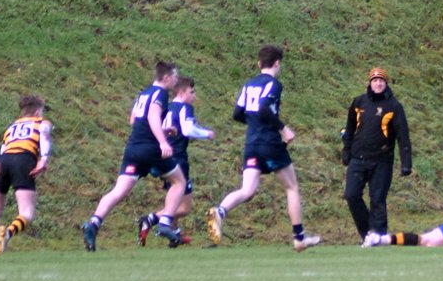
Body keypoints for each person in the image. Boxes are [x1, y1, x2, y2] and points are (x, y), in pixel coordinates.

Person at [207, 46, 322, 252]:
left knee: (247, 190)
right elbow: (263, 108)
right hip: (269, 142)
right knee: (291, 187)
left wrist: (255, 124)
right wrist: (283, 129)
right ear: (277, 63)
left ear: (259, 63)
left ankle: (220, 211)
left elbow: (237, 113)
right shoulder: (274, 84)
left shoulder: (249, 84)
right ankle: (299, 238)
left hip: (252, 143)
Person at [82, 61, 186, 252]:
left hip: (133, 149)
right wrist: (162, 141)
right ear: (166, 77)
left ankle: (94, 223)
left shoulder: (144, 93)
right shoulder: (161, 93)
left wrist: (164, 129)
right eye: (175, 77)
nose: (176, 80)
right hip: (150, 149)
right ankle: (164, 223)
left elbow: (134, 120)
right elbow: (152, 117)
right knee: (179, 182)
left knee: (118, 190)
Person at [0, 95, 51, 256]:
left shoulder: (12, 126)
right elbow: (44, 137)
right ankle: (7, 233)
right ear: (37, 111)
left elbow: (3, 148)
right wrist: (43, 159)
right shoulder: (41, 122)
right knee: (26, 212)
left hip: (3, 160)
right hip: (23, 160)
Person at [139, 75, 212, 246]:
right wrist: (206, 133)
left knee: (175, 198)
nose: (194, 95)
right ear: (181, 92)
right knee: (184, 208)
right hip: (178, 158)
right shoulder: (184, 108)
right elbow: (188, 129)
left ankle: (174, 235)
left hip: (163, 156)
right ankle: (150, 219)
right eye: (191, 92)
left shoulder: (167, 107)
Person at [343, 67, 413, 243]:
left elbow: (403, 136)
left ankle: (379, 239)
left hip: (382, 161)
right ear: (370, 83)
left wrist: (406, 163)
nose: (378, 84)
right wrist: (346, 151)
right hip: (358, 159)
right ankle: (368, 234)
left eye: (381, 81)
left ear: (386, 83)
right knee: (351, 195)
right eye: (375, 81)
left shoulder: (394, 106)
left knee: (377, 201)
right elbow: (349, 129)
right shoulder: (359, 102)